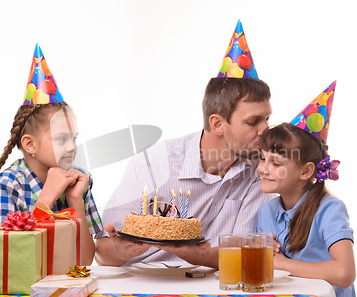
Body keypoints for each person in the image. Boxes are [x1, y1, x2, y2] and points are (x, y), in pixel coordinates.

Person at [95, 76, 274, 268]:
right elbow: (103, 255)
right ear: (217, 124)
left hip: (215, 286)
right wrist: (122, 250)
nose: (265, 129)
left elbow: (243, 255)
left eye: (266, 119)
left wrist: (200, 256)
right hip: (143, 283)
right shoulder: (152, 164)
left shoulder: (261, 170)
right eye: (253, 122)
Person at [0, 45, 103, 266]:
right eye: (62, 139)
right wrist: (45, 199)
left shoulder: (80, 182)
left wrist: (75, 201)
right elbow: (5, 262)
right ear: (30, 144)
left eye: (75, 138)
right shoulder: (9, 186)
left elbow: (84, 261)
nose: (73, 147)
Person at [256, 119, 356, 297]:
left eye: (275, 162)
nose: (263, 168)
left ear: (306, 171)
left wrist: (282, 264)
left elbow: (345, 273)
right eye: (262, 158)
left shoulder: (330, 210)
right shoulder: (265, 212)